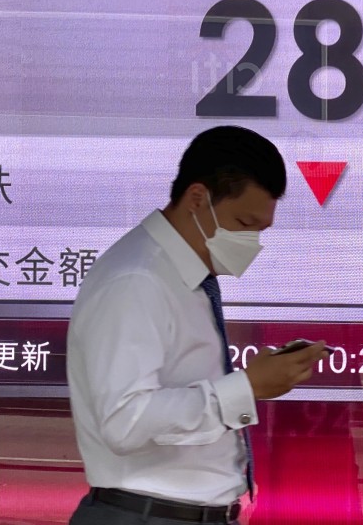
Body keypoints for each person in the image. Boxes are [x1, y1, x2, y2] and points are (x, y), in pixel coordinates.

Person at [66, 126, 326, 525]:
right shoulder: (137, 279)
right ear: (197, 198)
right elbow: (123, 420)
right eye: (243, 223)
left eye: (261, 230)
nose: (252, 242)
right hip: (147, 514)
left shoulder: (185, 276)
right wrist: (245, 389)